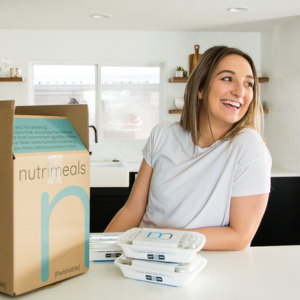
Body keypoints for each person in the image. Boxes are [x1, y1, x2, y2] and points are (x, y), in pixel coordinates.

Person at [104, 46, 272, 251]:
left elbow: (239, 236)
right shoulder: (163, 134)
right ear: (200, 88)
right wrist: (98, 252)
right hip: (140, 257)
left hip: (197, 265)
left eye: (248, 84)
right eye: (227, 79)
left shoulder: (248, 146)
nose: (240, 92)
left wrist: (159, 240)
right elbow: (132, 211)